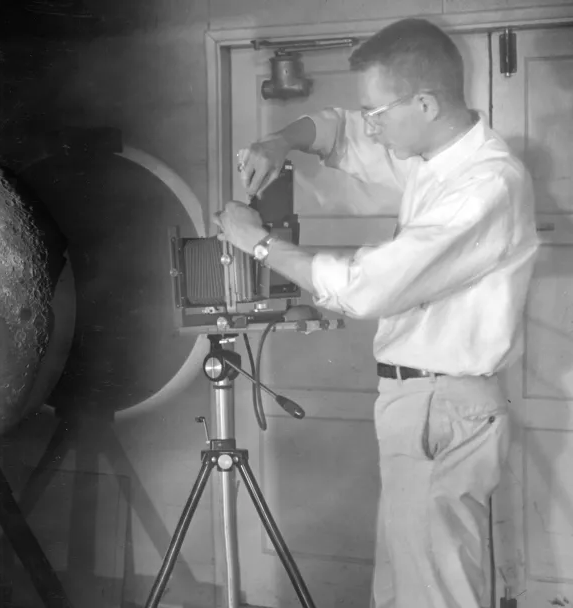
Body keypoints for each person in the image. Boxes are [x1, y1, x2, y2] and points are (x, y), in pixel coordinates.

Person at [213, 17, 539, 608]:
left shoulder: (484, 185)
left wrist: (258, 243)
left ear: (424, 102)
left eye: (378, 112)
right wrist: (280, 140)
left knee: (435, 596)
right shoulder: (428, 158)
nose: (371, 125)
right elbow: (338, 133)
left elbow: (367, 288)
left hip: (441, 405)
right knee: (403, 592)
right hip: (420, 402)